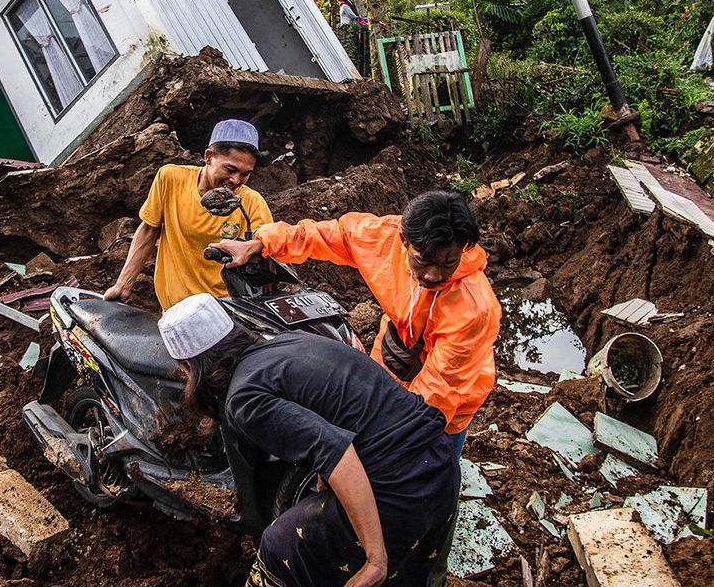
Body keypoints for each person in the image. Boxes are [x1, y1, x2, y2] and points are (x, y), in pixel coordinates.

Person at [157, 294, 460, 587]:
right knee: (348, 563)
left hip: (398, 488)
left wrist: (375, 558)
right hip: (438, 467)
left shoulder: (243, 398)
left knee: (281, 542)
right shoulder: (285, 342)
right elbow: (340, 420)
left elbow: (338, 453)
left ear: (193, 368)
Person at [210, 191, 500, 458]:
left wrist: (388, 438)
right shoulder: (384, 238)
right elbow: (332, 234)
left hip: (449, 399)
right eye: (423, 262)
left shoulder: (473, 309)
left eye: (448, 263)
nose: (434, 275)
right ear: (405, 241)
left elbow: (439, 393)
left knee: (431, 461)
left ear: (464, 249)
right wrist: (262, 243)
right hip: (394, 357)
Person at [104, 119, 273, 309]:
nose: (236, 180)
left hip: (225, 310)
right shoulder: (171, 179)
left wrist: (253, 247)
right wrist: (123, 285)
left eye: (245, 174)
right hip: (176, 309)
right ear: (208, 157)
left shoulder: (251, 202)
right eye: (230, 169)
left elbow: (267, 246)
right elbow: (148, 231)